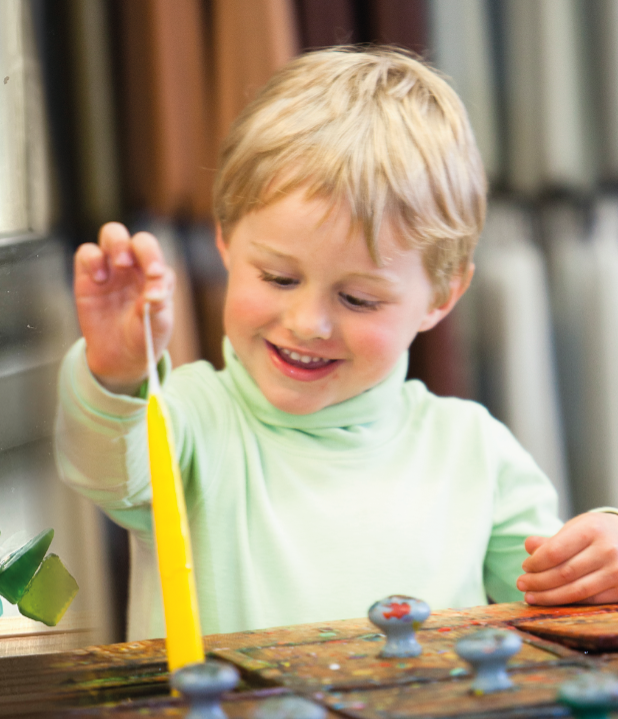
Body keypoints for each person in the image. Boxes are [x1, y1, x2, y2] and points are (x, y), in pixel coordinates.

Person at [54, 46, 618, 641]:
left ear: (442, 297)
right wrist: (115, 372)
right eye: (278, 277)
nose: (307, 323)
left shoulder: (476, 452)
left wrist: (602, 560)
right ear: (224, 240)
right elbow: (103, 465)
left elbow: (564, 612)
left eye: (358, 300)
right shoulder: (188, 420)